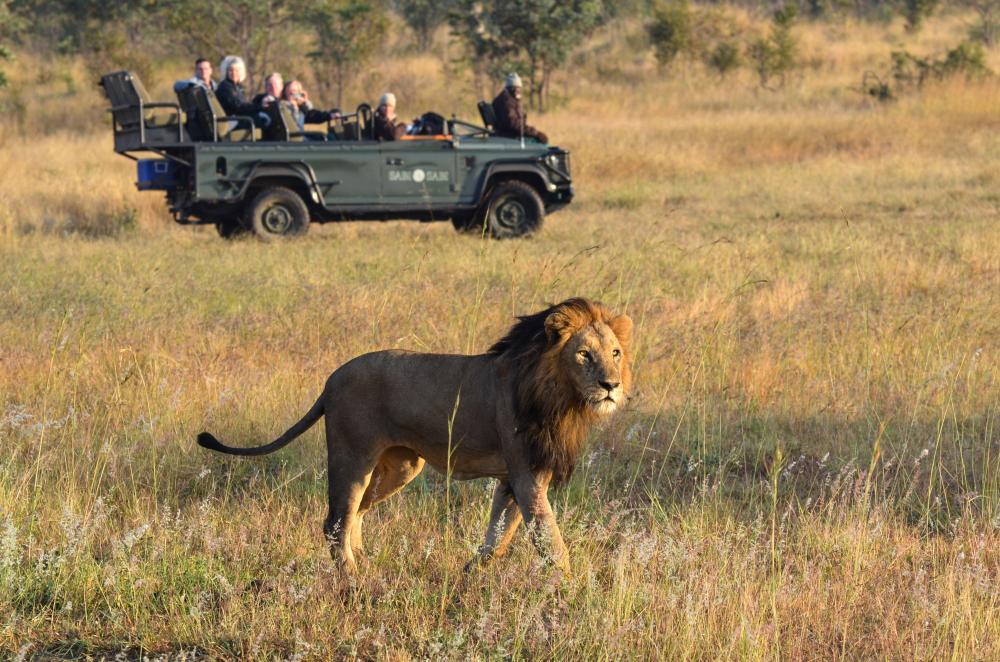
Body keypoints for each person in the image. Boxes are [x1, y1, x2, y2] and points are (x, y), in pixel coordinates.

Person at [491, 73, 548, 144]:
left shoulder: (505, 98)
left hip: (506, 134)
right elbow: (514, 125)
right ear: (512, 89)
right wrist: (535, 133)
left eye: (519, 88)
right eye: (517, 88)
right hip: (509, 136)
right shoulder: (507, 102)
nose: (519, 91)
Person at [216, 56, 267, 126]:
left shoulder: (237, 87)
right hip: (231, 120)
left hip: (238, 118)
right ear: (226, 72)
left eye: (237, 70)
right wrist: (259, 107)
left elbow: (243, 105)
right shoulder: (225, 87)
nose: (234, 73)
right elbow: (239, 107)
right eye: (230, 70)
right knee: (265, 119)